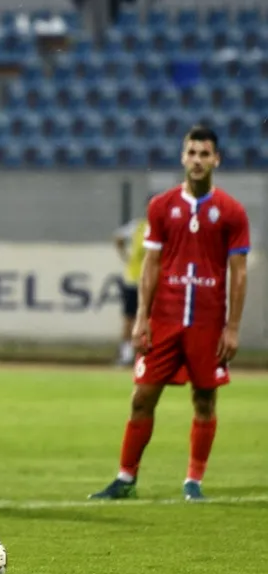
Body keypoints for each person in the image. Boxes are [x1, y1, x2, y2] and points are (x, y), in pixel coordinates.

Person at [90, 125, 250, 502]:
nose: (197, 160)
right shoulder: (162, 206)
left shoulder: (231, 212)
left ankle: (193, 481)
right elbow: (151, 264)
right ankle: (125, 478)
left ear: (216, 159)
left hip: (208, 322)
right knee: (142, 397)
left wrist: (232, 327)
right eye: (191, 153)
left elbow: (239, 272)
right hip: (164, 319)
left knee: (205, 400)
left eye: (204, 154)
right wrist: (142, 318)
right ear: (183, 157)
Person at [112, 198, 152, 367]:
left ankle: (148, 354)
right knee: (129, 318)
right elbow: (118, 237)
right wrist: (126, 257)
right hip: (133, 280)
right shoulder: (138, 226)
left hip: (153, 281)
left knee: (151, 319)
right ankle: (126, 354)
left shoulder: (164, 227)